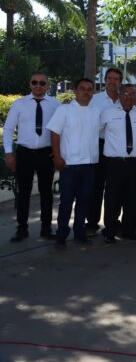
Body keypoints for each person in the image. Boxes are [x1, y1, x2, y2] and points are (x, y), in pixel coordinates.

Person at [3, 72, 61, 241]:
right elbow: (8, 129)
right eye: (35, 82)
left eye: (42, 83)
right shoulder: (19, 104)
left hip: (46, 153)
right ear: (30, 84)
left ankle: (46, 228)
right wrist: (8, 153)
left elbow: (62, 129)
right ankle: (22, 228)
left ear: (47, 86)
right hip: (25, 153)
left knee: (46, 193)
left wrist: (58, 153)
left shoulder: (55, 105)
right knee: (24, 193)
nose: (38, 86)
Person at [47, 78, 101, 247]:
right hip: (70, 164)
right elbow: (55, 134)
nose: (86, 92)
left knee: (84, 200)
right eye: (83, 88)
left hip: (90, 164)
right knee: (67, 200)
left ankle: (79, 232)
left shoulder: (96, 111)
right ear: (75, 91)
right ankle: (62, 234)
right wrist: (57, 157)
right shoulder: (65, 110)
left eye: (90, 89)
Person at [100, 84, 136, 243]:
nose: (129, 97)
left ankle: (129, 230)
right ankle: (110, 231)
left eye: (133, 94)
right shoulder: (107, 113)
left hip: (135, 163)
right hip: (114, 163)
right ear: (119, 95)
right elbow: (97, 132)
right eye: (126, 93)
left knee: (132, 199)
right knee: (113, 199)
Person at [86, 67, 122, 234]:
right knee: (97, 186)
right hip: (99, 145)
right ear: (105, 80)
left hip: (118, 148)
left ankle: (113, 222)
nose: (112, 81)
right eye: (109, 78)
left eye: (116, 79)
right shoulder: (95, 99)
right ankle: (92, 223)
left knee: (115, 188)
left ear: (120, 82)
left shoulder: (125, 100)